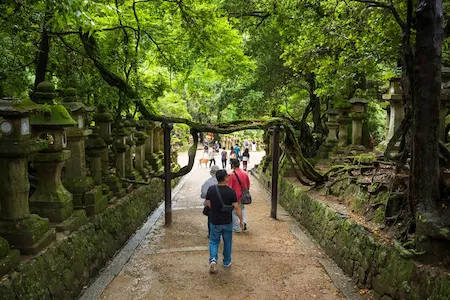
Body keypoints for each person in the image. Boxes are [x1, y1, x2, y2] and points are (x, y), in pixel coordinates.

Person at [205, 170, 244, 273]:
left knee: (213, 241)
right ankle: (226, 261)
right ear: (225, 178)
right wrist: (241, 220)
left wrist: (214, 209)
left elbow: (207, 202)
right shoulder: (231, 191)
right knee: (227, 242)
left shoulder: (211, 189)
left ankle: (213, 260)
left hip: (215, 221)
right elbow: (236, 207)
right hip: (227, 221)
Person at [228, 159, 250, 233]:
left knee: (234, 211)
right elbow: (248, 185)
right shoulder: (245, 173)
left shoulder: (231, 175)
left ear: (233, 165)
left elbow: (229, 187)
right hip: (243, 196)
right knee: (242, 209)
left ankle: (236, 227)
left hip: (234, 196)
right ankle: (244, 222)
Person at [201, 165, 220, 238]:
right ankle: (218, 233)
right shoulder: (223, 182)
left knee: (210, 219)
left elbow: (203, 194)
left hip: (210, 204)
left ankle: (211, 233)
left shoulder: (207, 182)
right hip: (221, 204)